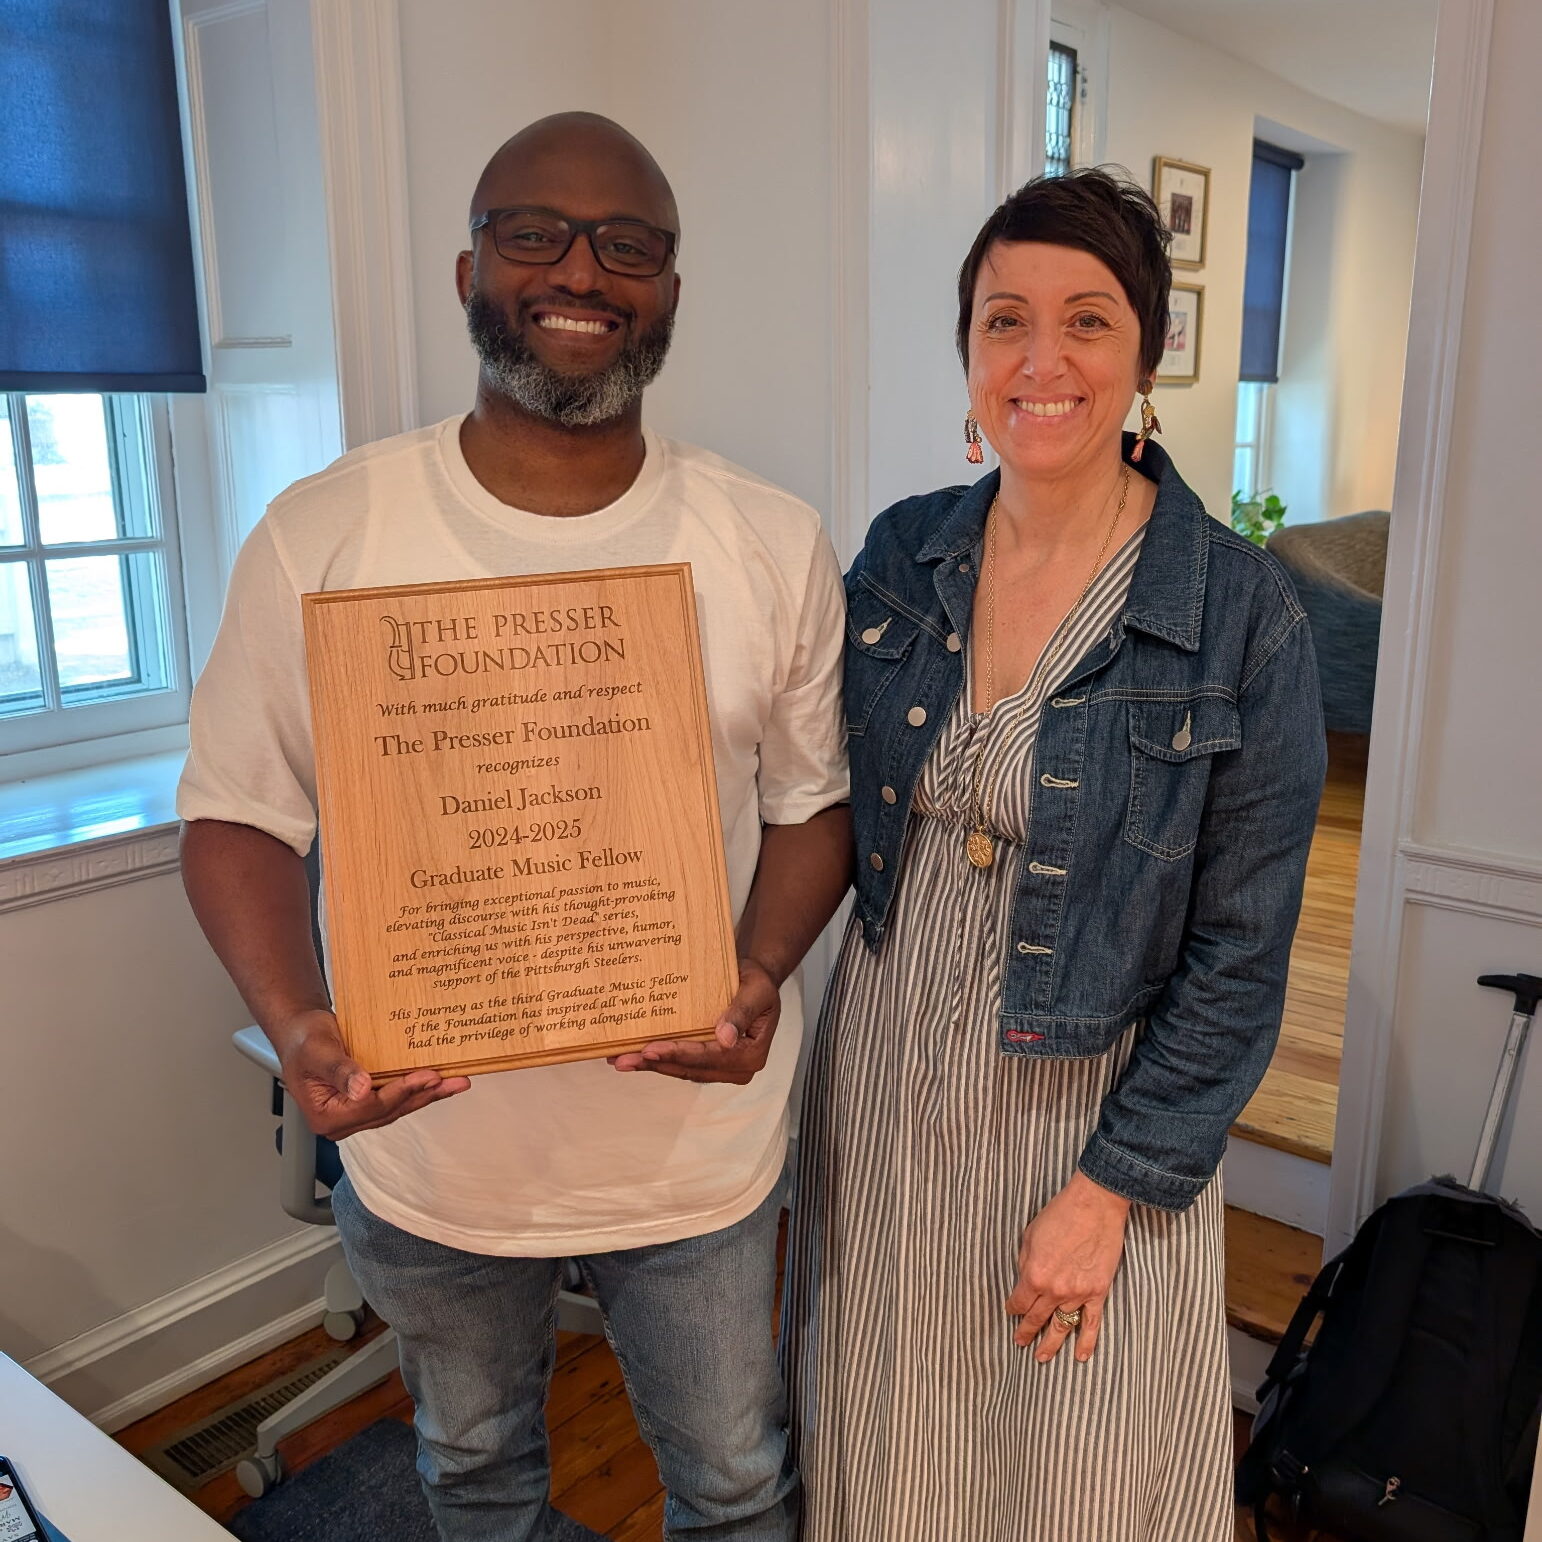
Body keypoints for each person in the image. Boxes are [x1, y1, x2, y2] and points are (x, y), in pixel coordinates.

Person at [179, 112, 852, 1542]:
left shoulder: (767, 540)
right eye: (533, 231)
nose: (582, 271)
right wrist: (299, 1023)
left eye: (632, 245)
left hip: (694, 1154)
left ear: (671, 290)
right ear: (467, 265)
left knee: (735, 1489)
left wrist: (756, 971)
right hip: (436, 1162)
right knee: (476, 1483)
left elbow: (812, 808)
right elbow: (236, 818)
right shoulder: (325, 533)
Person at [781, 168, 1326, 1541]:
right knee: (895, 1424)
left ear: (1144, 356)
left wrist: (1110, 1188)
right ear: (964, 354)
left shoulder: (1239, 613)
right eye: (1001, 320)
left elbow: (1239, 954)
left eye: (1085, 321)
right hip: (887, 1080)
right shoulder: (904, 555)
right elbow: (800, 776)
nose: (1039, 360)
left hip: (1083, 1110)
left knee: (1065, 1465)